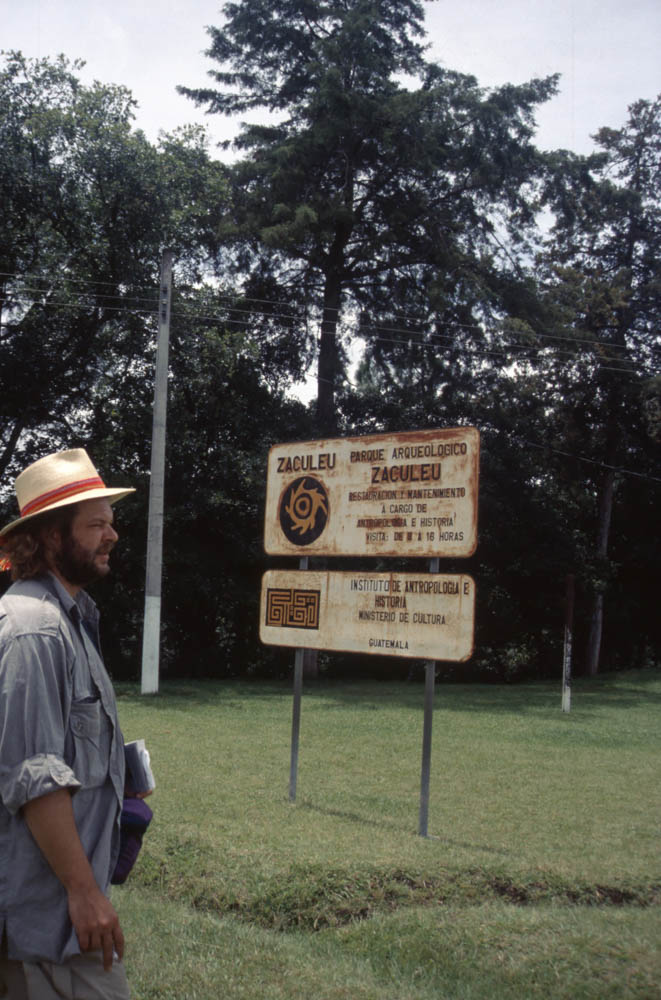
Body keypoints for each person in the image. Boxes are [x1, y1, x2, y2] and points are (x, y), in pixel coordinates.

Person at [0, 448, 138, 999]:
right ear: (52, 537)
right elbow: (33, 775)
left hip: (56, 914)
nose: (113, 536)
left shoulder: (68, 619)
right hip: (46, 920)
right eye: (97, 524)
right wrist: (84, 893)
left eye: (111, 522)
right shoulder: (34, 630)